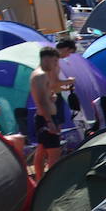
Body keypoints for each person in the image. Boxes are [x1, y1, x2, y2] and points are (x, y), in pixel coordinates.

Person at [30, 46, 74, 180]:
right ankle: (51, 184)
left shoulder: (39, 74)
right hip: (46, 119)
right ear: (46, 59)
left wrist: (52, 97)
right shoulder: (40, 75)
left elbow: (44, 97)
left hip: (44, 117)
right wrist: (50, 122)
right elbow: (42, 101)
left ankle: (39, 180)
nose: (56, 65)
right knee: (54, 154)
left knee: (41, 151)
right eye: (54, 61)